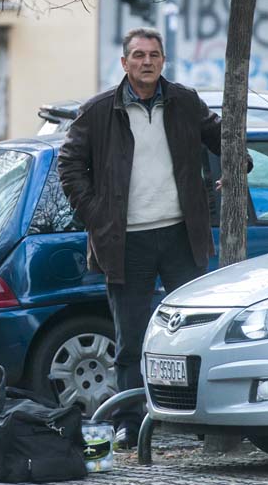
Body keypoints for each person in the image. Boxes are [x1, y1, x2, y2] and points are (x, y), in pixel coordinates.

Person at [57, 27, 225, 449]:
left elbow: (221, 136)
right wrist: (97, 216)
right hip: (125, 241)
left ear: (163, 61)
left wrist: (237, 165)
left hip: (180, 235)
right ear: (124, 63)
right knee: (130, 339)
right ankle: (130, 422)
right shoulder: (98, 112)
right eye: (138, 55)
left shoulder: (184, 102)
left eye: (153, 55)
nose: (146, 62)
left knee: (193, 333)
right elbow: (69, 165)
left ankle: (197, 417)